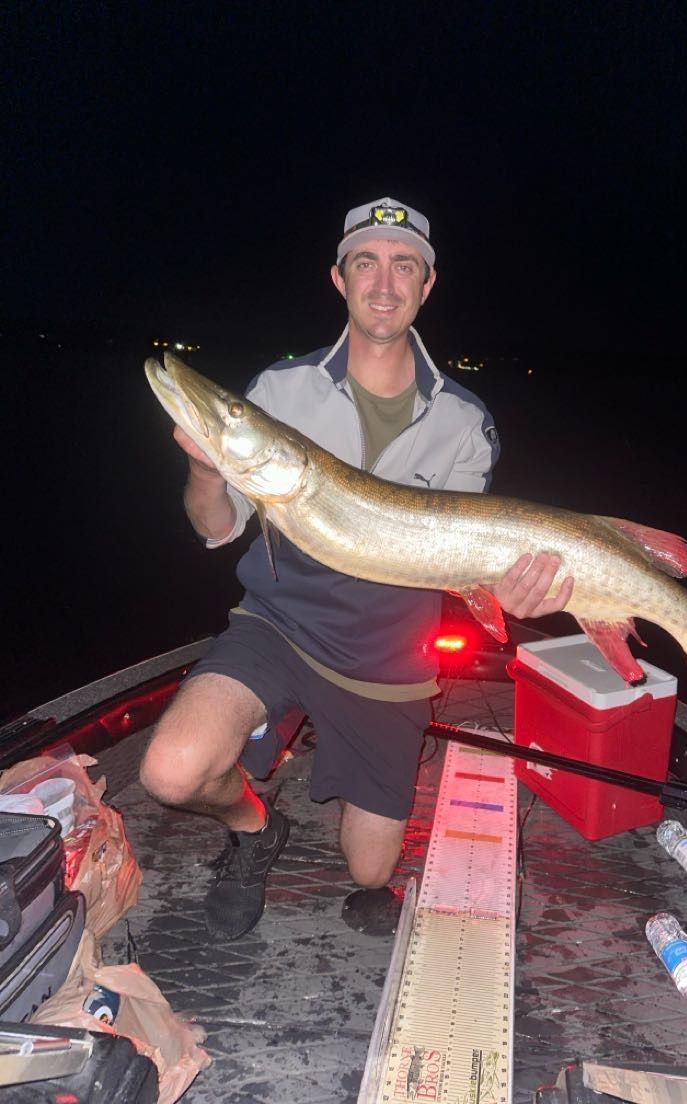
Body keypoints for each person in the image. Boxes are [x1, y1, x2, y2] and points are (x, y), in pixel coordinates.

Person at [140, 197, 574, 941]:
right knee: (170, 771)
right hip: (278, 624)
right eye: (365, 263)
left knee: (371, 872)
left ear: (427, 285)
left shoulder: (465, 422)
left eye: (403, 265)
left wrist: (510, 590)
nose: (383, 281)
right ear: (339, 279)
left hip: (387, 659)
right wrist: (208, 470)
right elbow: (216, 528)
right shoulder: (280, 390)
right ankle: (254, 827)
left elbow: (467, 559)